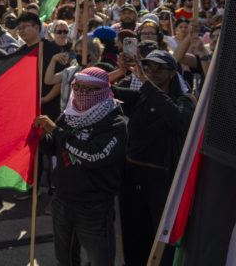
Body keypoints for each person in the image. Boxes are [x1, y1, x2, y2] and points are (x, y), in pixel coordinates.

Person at [34, 67, 127, 266]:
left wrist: (57, 132)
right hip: (63, 199)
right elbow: (52, 148)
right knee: (65, 258)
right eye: (78, 87)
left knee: (99, 260)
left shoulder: (114, 122)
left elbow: (94, 155)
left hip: (94, 205)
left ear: (103, 91)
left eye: (89, 89)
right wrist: (42, 135)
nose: (82, 94)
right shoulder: (70, 113)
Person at [113, 50, 195, 266]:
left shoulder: (183, 101)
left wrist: (145, 83)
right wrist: (119, 71)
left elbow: (179, 120)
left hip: (162, 181)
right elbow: (105, 90)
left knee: (159, 236)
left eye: (159, 67)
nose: (153, 71)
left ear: (172, 73)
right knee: (133, 232)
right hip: (132, 178)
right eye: (148, 66)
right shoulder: (140, 96)